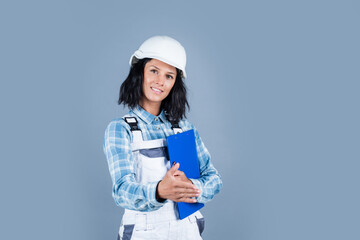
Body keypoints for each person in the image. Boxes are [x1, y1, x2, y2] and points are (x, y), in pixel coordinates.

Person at [103, 35, 222, 240]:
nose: (160, 81)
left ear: (175, 83)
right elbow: (122, 191)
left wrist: (190, 188)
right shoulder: (121, 129)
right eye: (154, 71)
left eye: (169, 76)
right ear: (139, 73)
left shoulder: (184, 128)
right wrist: (160, 191)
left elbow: (214, 179)